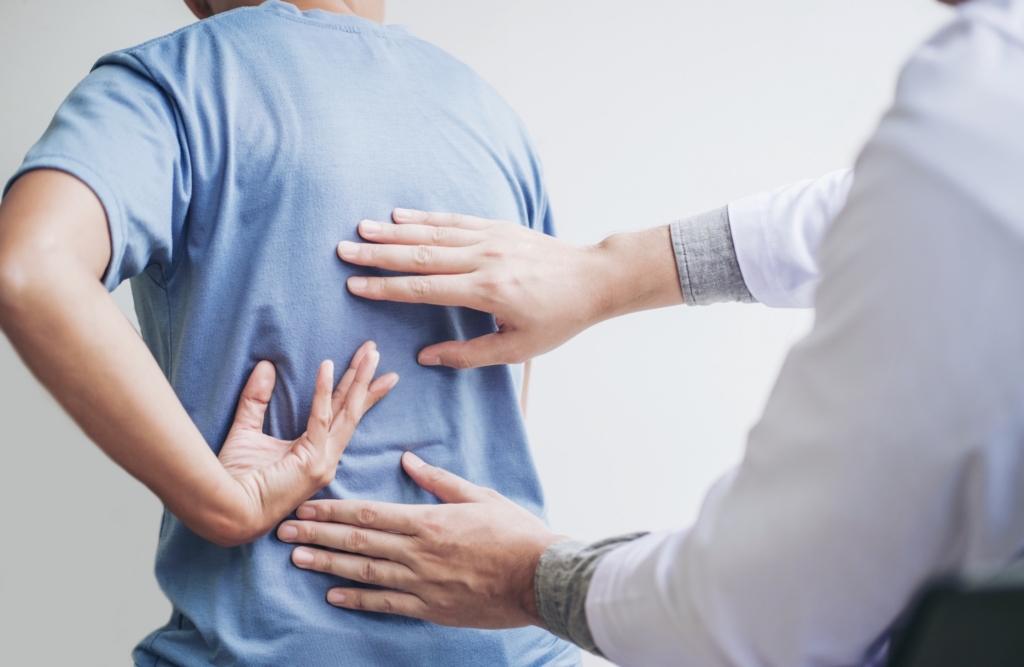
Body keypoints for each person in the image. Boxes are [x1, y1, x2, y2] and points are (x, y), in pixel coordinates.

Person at [269, 0, 1024, 665]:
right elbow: (903, 202)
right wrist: (611, 270)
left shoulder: (981, 101)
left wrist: (526, 575)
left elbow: (756, 618)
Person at [0, 1, 578, 665]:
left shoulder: (181, 82)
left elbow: (35, 263)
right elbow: (505, 414)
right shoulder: (495, 119)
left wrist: (223, 505)